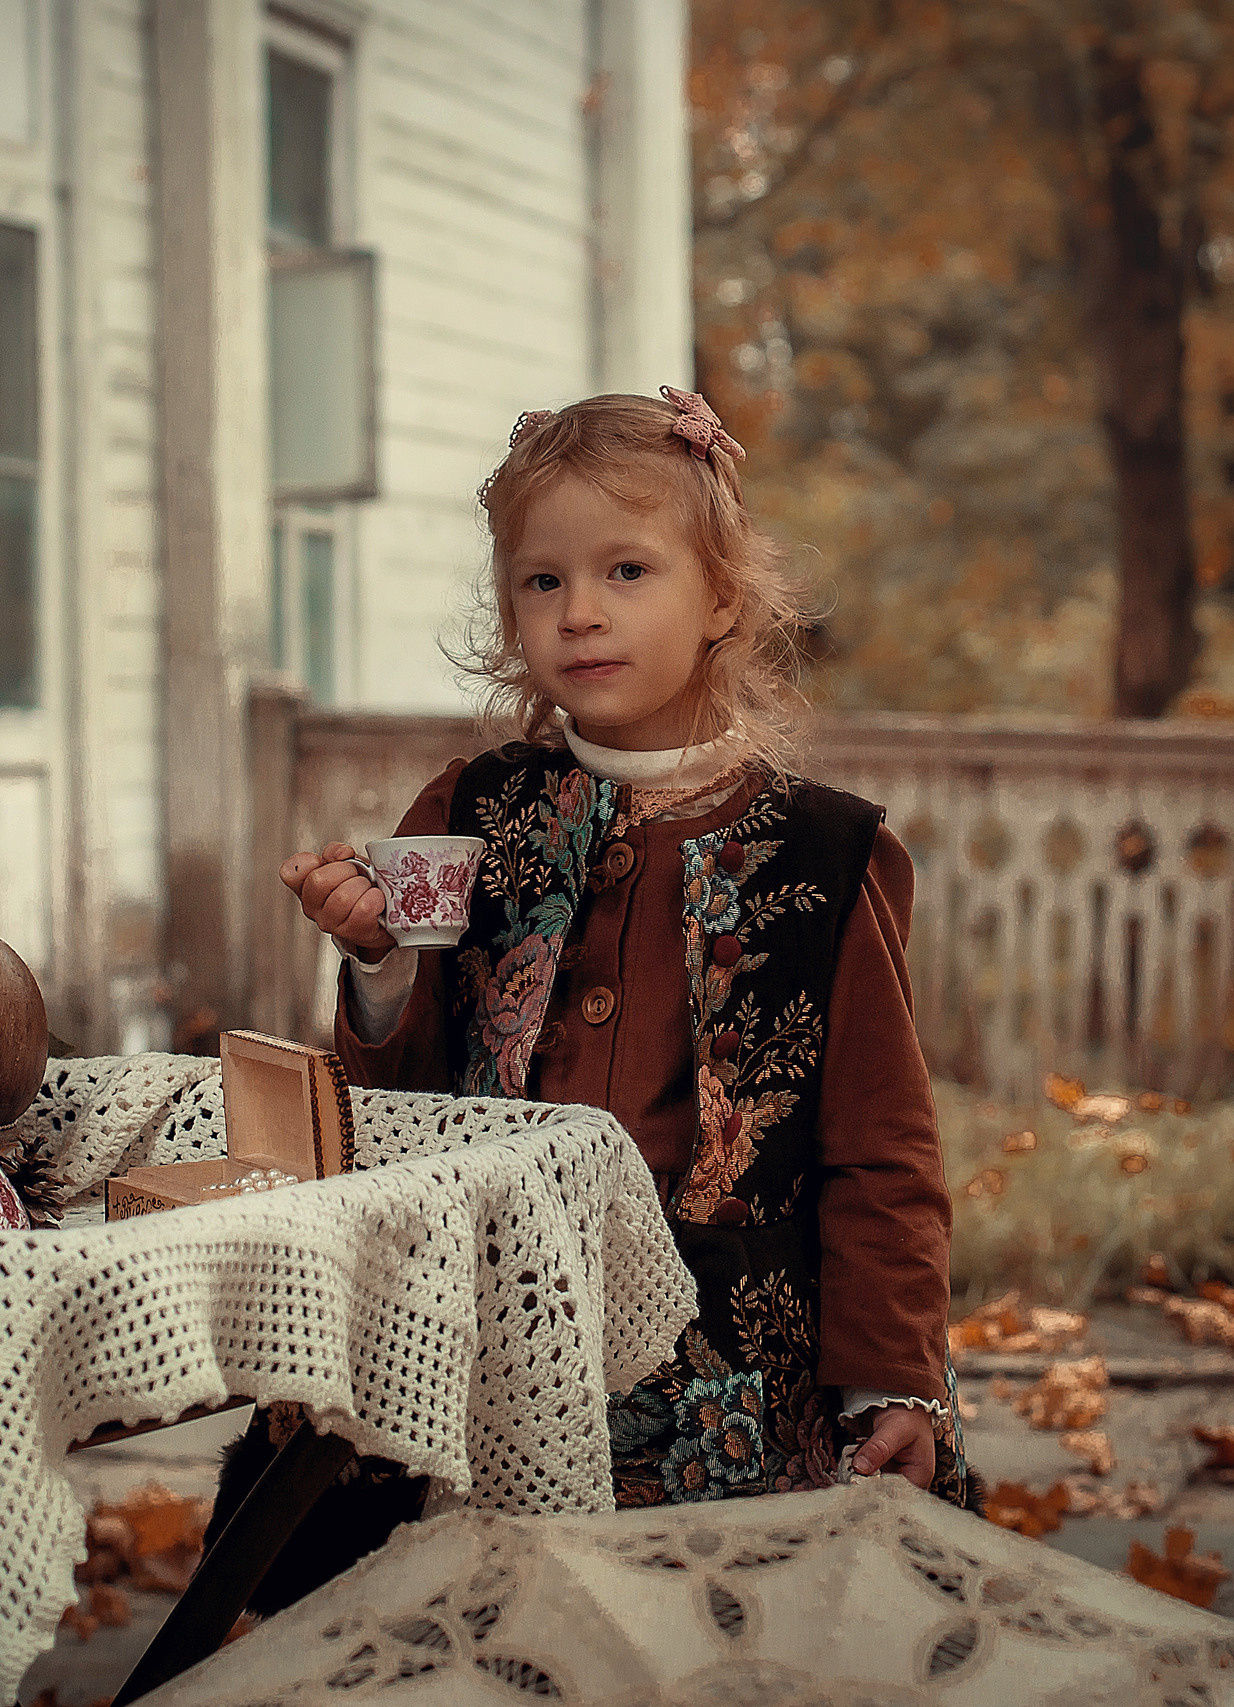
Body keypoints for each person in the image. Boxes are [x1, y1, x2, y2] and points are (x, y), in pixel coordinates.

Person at [281, 390, 977, 1514]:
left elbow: (882, 1147)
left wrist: (894, 1374)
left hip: (741, 1390)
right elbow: (399, 1102)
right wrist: (379, 964)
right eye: (542, 580)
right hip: (489, 1348)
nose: (580, 613)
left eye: (627, 572)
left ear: (720, 598)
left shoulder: (826, 852)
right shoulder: (468, 814)